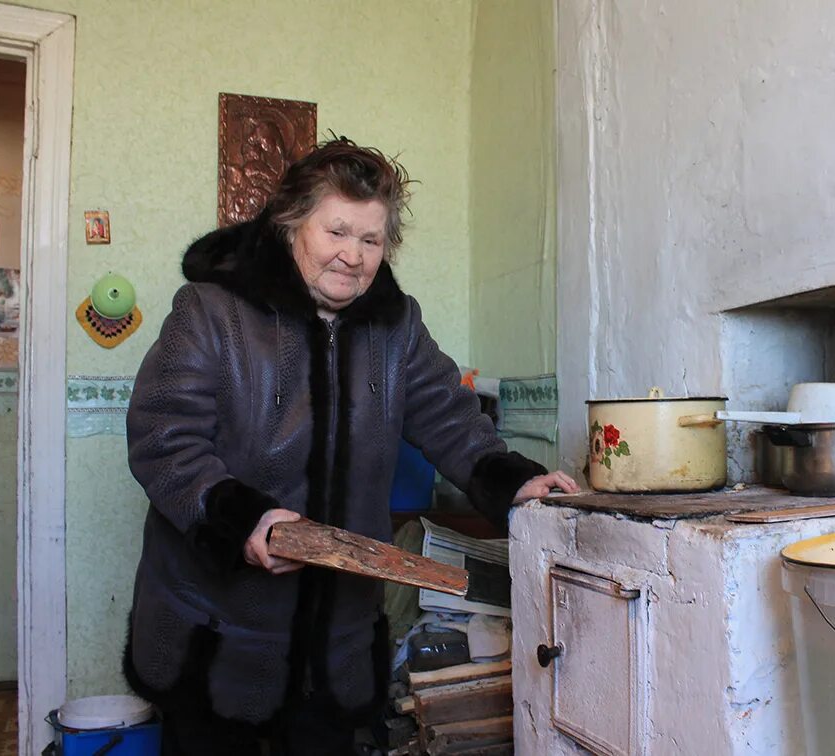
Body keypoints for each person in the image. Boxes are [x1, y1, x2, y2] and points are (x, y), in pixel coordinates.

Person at [122, 136, 578, 755]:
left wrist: (513, 480)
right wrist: (242, 520)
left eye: (371, 240)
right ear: (290, 225)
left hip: (335, 636)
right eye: (337, 232)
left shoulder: (397, 326)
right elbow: (164, 439)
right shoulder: (211, 311)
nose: (353, 256)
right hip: (218, 629)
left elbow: (448, 414)